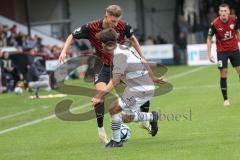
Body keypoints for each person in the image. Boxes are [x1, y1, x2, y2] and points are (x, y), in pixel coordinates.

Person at [58, 5, 155, 143]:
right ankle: (101, 129)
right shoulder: (91, 27)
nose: (115, 24)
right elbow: (72, 36)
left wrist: (143, 57)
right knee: (100, 95)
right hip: (101, 65)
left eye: (117, 21)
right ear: (106, 15)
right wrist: (63, 51)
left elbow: (133, 39)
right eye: (113, 21)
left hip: (119, 65)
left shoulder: (123, 26)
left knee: (139, 88)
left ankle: (145, 119)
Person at [91, 28, 164, 147]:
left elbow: (115, 81)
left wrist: (98, 96)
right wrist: (153, 78)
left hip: (141, 90)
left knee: (113, 109)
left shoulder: (119, 56)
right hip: (137, 88)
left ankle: (116, 141)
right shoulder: (123, 47)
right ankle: (151, 116)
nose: (100, 45)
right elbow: (143, 60)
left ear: (106, 44)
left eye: (101, 43)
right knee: (125, 117)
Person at [207, 3, 240, 107]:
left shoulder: (234, 19)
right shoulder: (215, 23)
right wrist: (209, 54)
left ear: (229, 11)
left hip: (234, 50)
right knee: (223, 73)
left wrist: (238, 39)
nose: (223, 13)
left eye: (225, 11)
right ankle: (225, 99)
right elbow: (208, 39)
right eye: (221, 11)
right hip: (222, 52)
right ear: (219, 12)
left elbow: (237, 31)